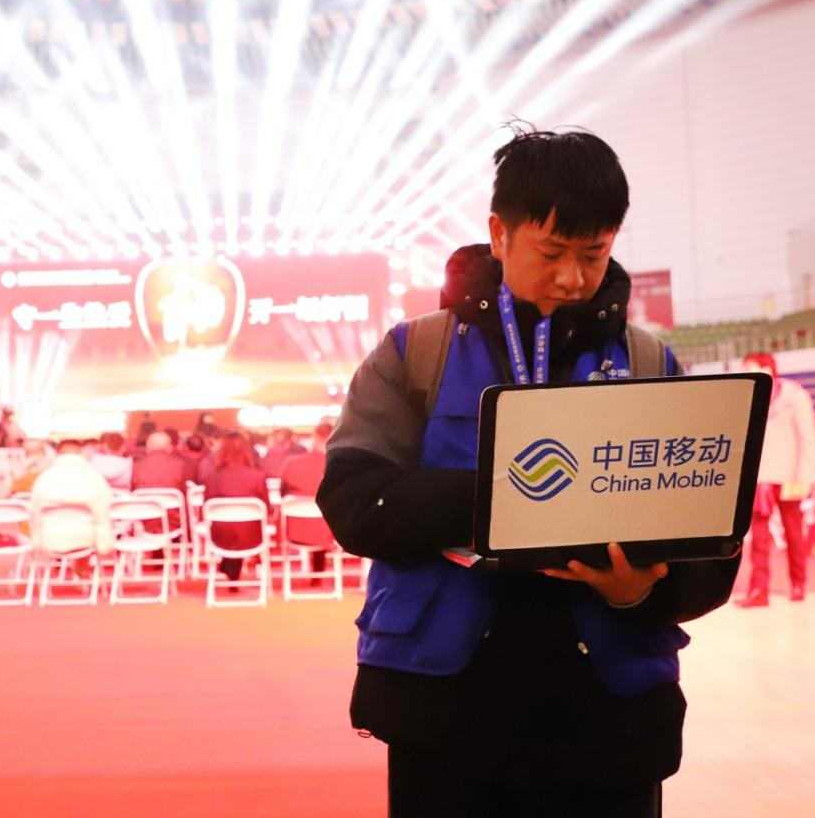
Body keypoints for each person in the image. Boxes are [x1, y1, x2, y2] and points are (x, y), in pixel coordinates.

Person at [316, 128, 739, 817]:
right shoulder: (415, 353)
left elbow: (711, 542)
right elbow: (353, 501)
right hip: (446, 706)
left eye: (593, 253)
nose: (573, 277)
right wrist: (508, 501)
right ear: (499, 234)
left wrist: (642, 590)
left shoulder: (647, 364)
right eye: (551, 252)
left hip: (607, 710)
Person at [738, 352, 815, 607]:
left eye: (750, 368)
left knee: (793, 532)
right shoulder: (747, 395)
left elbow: (808, 438)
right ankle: (758, 590)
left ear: (767, 369)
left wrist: (804, 476)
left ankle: (798, 583)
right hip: (761, 476)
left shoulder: (795, 396)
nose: (746, 373)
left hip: (789, 475)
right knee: (759, 538)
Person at [204, 431, 270, 583]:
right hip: (252, 536)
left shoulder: (212, 477)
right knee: (242, 525)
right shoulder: (257, 476)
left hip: (219, 538)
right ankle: (233, 571)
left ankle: (231, 571)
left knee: (229, 525)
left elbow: (205, 510)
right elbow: (267, 509)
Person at [30, 440, 114, 558]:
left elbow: (34, 512)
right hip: (85, 539)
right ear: (80, 453)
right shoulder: (94, 478)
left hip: (50, 538)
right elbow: (105, 510)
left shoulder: (43, 479)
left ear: (58, 454)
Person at [279, 423, 336, 577]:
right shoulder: (337, 466)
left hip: (294, 531)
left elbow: (282, 495)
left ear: (314, 438)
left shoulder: (291, 464)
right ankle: (319, 570)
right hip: (330, 532)